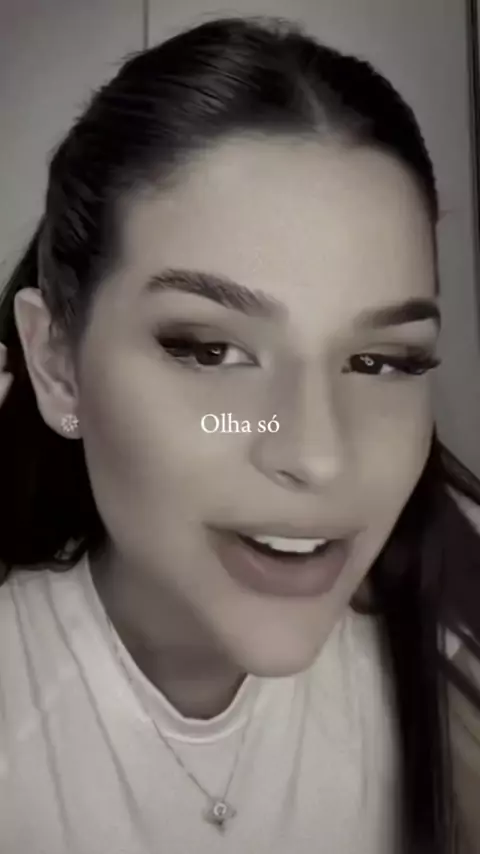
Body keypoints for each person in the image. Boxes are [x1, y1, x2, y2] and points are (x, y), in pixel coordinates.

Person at [0, 14, 479, 854]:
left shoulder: (447, 685)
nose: (318, 454)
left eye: (379, 362)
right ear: (57, 365)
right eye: (210, 350)